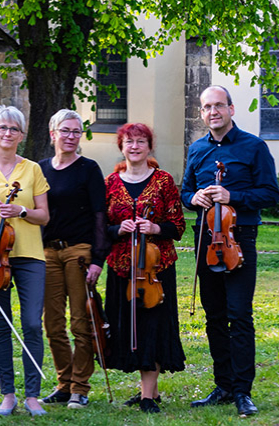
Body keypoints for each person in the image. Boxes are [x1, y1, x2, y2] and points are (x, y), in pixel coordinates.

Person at [182, 86, 279, 417]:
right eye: (207, 107)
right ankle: (223, 385)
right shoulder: (196, 150)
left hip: (240, 240)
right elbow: (185, 191)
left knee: (239, 315)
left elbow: (270, 193)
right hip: (205, 239)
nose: (213, 112)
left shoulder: (254, 146)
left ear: (231, 109)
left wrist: (232, 196)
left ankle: (242, 391)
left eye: (219, 106)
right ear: (202, 112)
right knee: (214, 316)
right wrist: (192, 198)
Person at [0, 105, 51, 417]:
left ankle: (33, 395)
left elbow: (44, 216)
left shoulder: (32, 170)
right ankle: (8, 394)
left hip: (30, 256)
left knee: (31, 323)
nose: (7, 133)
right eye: (1, 127)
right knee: (1, 326)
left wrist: (23, 212)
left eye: (13, 129)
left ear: (21, 135)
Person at [102, 123, 187, 414]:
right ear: (121, 146)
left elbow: (178, 226)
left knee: (153, 326)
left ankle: (148, 396)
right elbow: (101, 227)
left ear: (149, 146)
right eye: (129, 142)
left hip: (156, 267)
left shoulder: (163, 181)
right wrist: (118, 230)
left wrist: (155, 227)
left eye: (141, 141)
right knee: (129, 327)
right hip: (122, 267)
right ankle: (146, 391)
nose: (135, 146)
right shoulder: (110, 182)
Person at [38, 109, 108, 409]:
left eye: (76, 131)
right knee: (52, 323)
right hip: (48, 252)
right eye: (65, 131)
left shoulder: (89, 169)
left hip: (79, 252)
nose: (70, 136)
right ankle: (64, 383)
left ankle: (80, 387)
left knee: (81, 322)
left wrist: (97, 260)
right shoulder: (39, 169)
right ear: (53, 133)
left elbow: (100, 216)